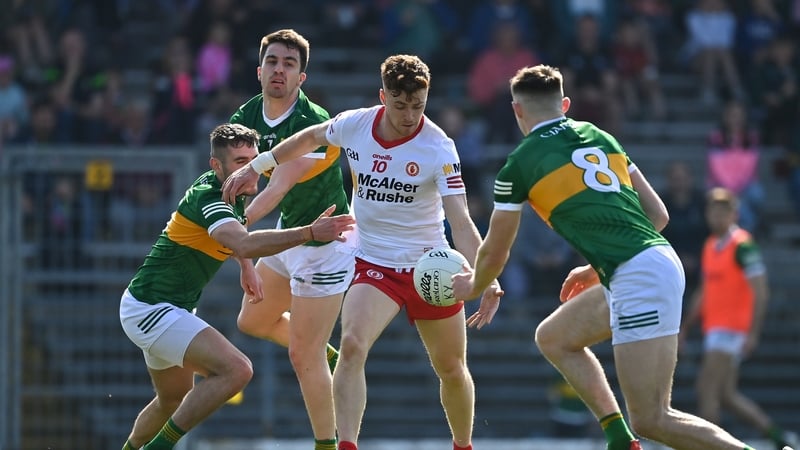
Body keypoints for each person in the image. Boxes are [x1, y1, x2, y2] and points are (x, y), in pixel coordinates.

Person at [451, 64, 769, 450]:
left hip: (638, 276)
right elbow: (659, 216)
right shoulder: (600, 135)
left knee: (653, 419)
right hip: (646, 262)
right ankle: (620, 439)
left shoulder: (519, 164)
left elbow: (496, 250)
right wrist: (595, 267)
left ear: (518, 111)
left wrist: (473, 284)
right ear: (565, 104)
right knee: (553, 337)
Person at [222, 54, 504, 450]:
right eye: (400, 105)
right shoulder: (356, 124)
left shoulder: (438, 146)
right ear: (382, 96)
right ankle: (347, 445)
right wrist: (261, 164)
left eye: (418, 106)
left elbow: (460, 222)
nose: (409, 116)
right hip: (373, 264)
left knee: (452, 368)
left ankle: (462, 445)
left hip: (430, 268)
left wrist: (485, 276)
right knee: (352, 345)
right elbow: (310, 137)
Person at [119, 123, 354, 450]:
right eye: (241, 162)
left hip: (157, 305)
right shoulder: (211, 198)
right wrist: (310, 233)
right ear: (217, 166)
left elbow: (235, 234)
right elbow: (241, 241)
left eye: (254, 160)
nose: (251, 169)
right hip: (153, 310)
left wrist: (245, 267)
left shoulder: (235, 189)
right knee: (237, 371)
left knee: (171, 401)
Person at [228, 28, 354, 450]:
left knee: (302, 355)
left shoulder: (313, 123)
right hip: (289, 236)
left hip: (327, 243)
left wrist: (233, 234)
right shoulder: (244, 119)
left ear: (301, 77)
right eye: (273, 62)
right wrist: (244, 256)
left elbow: (275, 188)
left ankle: (328, 445)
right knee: (252, 320)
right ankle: (327, 352)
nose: (279, 70)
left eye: (289, 64)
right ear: (259, 70)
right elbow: (228, 189)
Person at [679, 187, 799, 450]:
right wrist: (686, 326)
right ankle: (778, 436)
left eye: (724, 211)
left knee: (706, 389)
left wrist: (753, 333)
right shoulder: (711, 245)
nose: (717, 216)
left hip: (731, 329)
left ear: (734, 214)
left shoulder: (743, 245)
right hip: (715, 328)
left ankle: (713, 447)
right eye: (713, 211)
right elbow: (704, 290)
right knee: (727, 395)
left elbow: (761, 291)